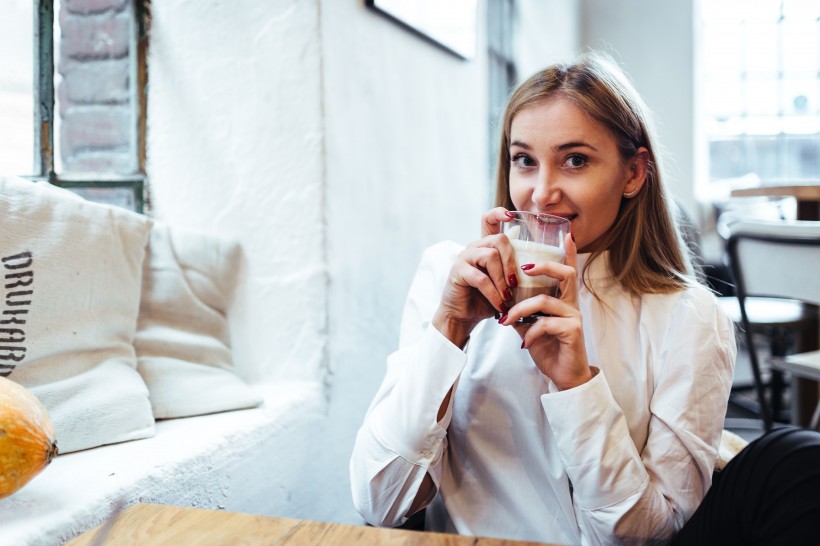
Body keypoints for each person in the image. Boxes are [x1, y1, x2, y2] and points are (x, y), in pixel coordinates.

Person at [349, 51, 737, 545]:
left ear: (634, 174)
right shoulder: (447, 277)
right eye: (524, 161)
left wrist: (577, 386)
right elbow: (381, 502)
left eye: (575, 160)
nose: (540, 193)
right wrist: (449, 331)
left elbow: (645, 536)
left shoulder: (690, 319)